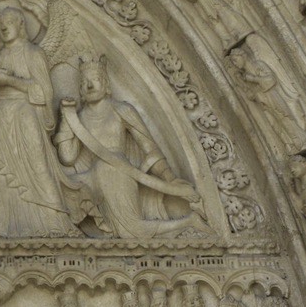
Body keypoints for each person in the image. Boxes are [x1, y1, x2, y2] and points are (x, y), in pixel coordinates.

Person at [56, 54, 206, 239]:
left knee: (130, 232)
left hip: (118, 173)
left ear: (107, 85)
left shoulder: (122, 110)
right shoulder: (80, 118)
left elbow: (149, 148)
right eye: (85, 82)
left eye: (95, 80)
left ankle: (189, 221)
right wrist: (66, 118)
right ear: (80, 89)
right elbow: (67, 157)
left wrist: (170, 179)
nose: (90, 85)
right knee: (58, 193)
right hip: (93, 178)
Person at [0, 7, 78, 237]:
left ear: (20, 25)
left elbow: (44, 92)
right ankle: (2, 224)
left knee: (38, 167)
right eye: (0, 24)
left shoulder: (33, 54)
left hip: (26, 115)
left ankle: (56, 222)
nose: (4, 26)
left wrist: (10, 80)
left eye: (9, 21)